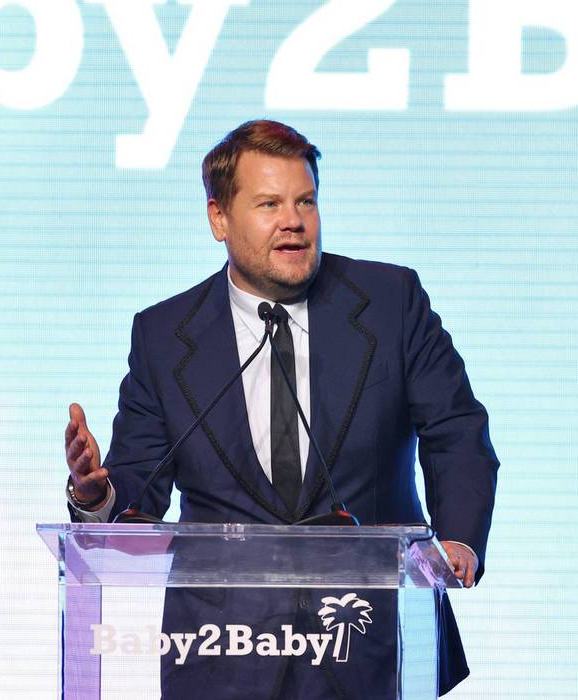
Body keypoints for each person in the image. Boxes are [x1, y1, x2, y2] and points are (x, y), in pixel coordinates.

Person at [64, 119, 499, 697]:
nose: (293, 220)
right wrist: (97, 497)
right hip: (223, 651)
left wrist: (459, 540)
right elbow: (138, 485)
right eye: (269, 203)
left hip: (368, 640)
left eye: (306, 201)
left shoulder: (391, 303)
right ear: (218, 217)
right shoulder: (164, 335)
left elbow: (456, 430)